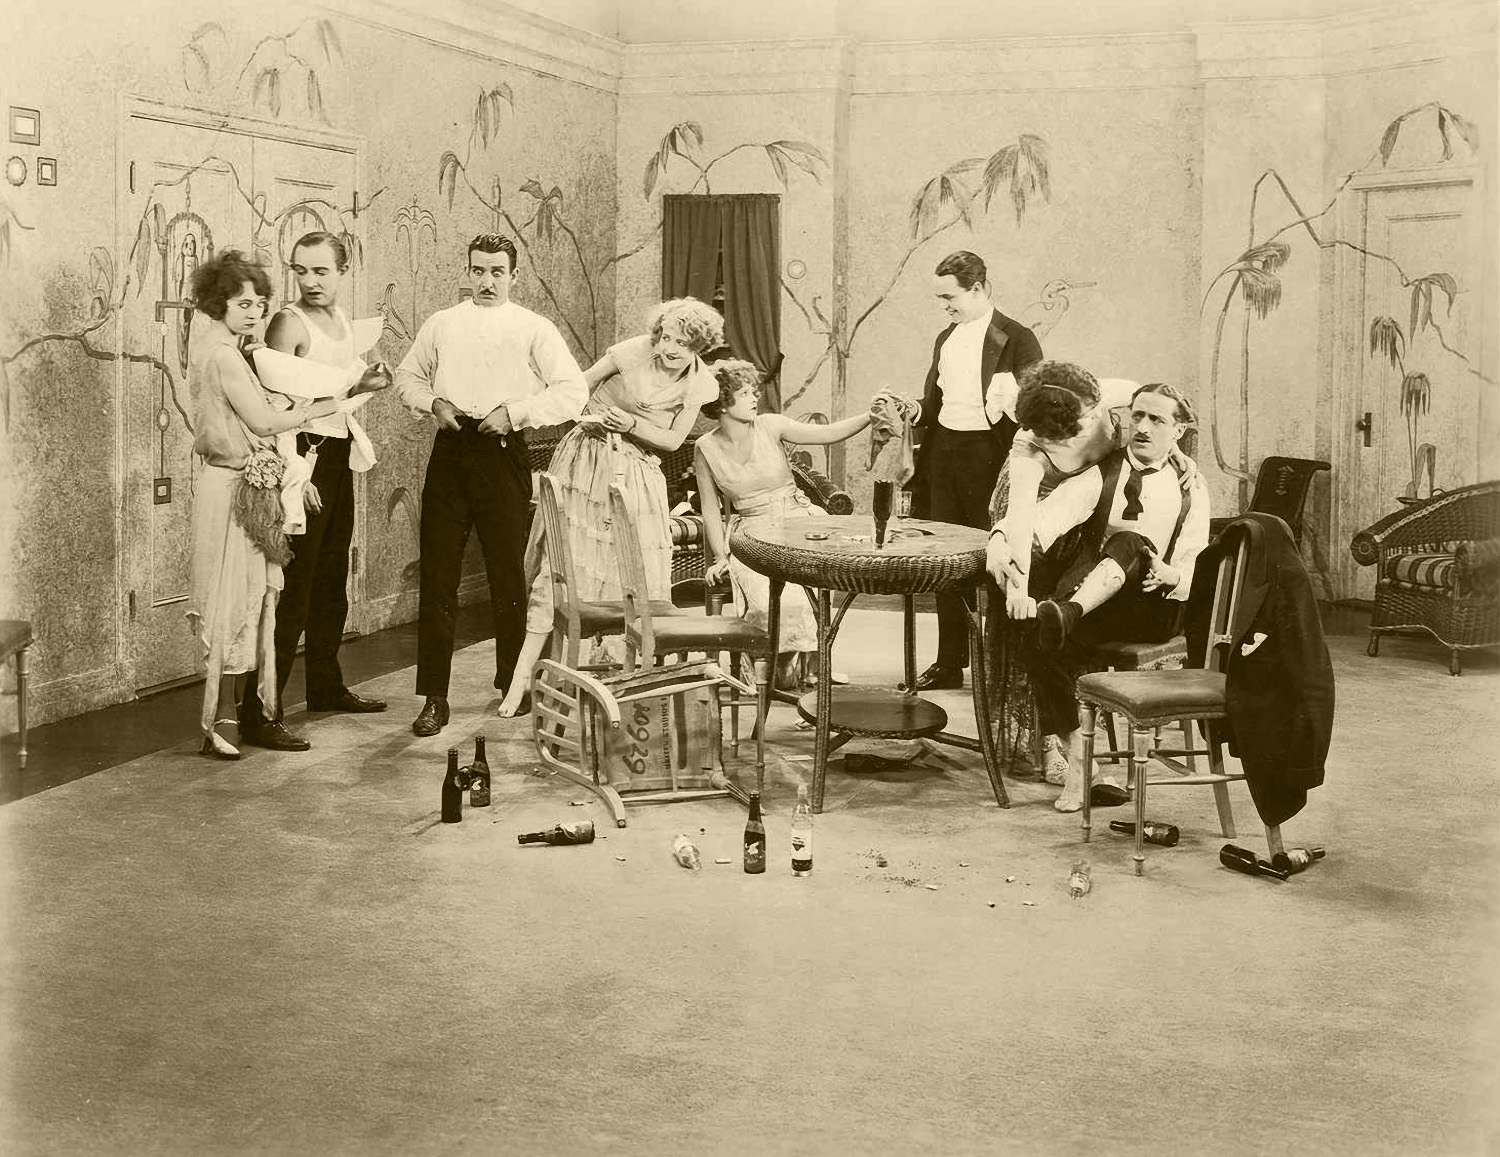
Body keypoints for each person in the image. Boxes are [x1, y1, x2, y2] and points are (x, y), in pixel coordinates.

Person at [395, 234, 587, 737]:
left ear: (513, 276)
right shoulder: (442, 323)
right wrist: (433, 404)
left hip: (503, 452)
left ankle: (510, 683)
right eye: (478, 270)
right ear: (468, 271)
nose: (486, 281)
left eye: (497, 272)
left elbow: (573, 391)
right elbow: (406, 376)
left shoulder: (533, 327)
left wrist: (515, 413)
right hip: (451, 451)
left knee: (507, 576)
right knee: (439, 576)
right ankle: (434, 698)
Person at [495, 298, 724, 717]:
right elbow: (574, 388)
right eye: (666, 337)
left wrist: (632, 425)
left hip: (636, 475)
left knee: (627, 577)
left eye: (682, 342)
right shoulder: (632, 352)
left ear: (699, 348)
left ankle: (615, 680)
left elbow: (673, 440)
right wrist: (588, 415)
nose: (670, 348)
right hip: (586, 461)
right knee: (561, 571)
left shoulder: (700, 384)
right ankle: (520, 679)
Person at [989, 382, 1210, 812]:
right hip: (1103, 605)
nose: (1142, 427)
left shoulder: (1191, 487)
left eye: (1157, 420)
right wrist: (1000, 539)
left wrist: (1171, 575)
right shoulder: (1103, 473)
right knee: (1036, 636)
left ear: (1179, 430)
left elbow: (1195, 566)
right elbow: (1041, 520)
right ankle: (1081, 763)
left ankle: (1068, 613)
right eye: (1137, 415)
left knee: (1131, 541)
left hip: (1156, 608)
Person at [239, 232, 393, 750]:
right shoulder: (288, 323)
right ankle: (260, 712)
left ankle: (325, 685)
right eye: (300, 270)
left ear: (342, 271)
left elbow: (338, 395)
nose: (309, 281)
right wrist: (294, 476)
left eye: (321, 271)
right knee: (293, 590)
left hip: (334, 455)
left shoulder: (344, 321)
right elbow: (276, 408)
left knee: (330, 579)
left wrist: (366, 383)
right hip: (299, 459)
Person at [185, 250, 338, 759]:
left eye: (259, 304)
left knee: (247, 601)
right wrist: (331, 403)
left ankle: (233, 716)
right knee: (235, 603)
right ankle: (221, 720)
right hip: (231, 489)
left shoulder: (224, 350)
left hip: (237, 487)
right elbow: (265, 423)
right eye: (242, 304)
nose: (254, 313)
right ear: (218, 304)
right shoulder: (224, 356)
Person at [694, 360, 883, 689]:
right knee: (768, 601)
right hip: (751, 534)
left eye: (754, 391)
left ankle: (815, 667)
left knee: (809, 593)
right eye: (745, 393)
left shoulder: (770, 425)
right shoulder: (705, 447)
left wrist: (870, 416)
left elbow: (827, 434)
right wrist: (721, 557)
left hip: (798, 523)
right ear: (722, 401)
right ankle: (777, 667)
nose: (755, 398)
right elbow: (710, 508)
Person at [907, 250, 1043, 693]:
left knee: (998, 558)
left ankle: (1004, 666)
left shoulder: (1018, 338)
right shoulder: (945, 338)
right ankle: (950, 662)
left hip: (991, 457)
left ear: (978, 288)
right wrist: (912, 409)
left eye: (949, 297)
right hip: (944, 454)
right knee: (947, 561)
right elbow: (934, 405)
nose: (943, 306)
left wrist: (1012, 400)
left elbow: (1038, 410)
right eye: (939, 298)